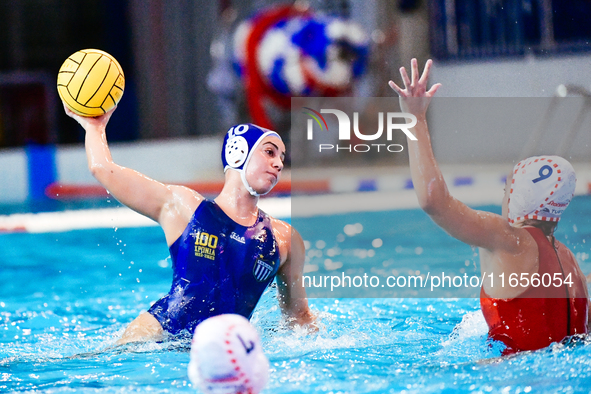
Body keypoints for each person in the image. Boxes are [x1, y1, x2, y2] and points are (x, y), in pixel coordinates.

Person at [63, 106, 315, 344]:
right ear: (238, 152)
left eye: (282, 157)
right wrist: (94, 127)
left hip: (220, 351)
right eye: (269, 152)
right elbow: (103, 168)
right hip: (155, 340)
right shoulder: (185, 208)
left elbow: (298, 320)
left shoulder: (283, 239)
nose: (279, 163)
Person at [389, 59, 590, 355]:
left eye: (508, 187)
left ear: (518, 196)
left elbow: (434, 201)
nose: (504, 193)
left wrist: (415, 118)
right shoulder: (571, 265)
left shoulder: (510, 240)